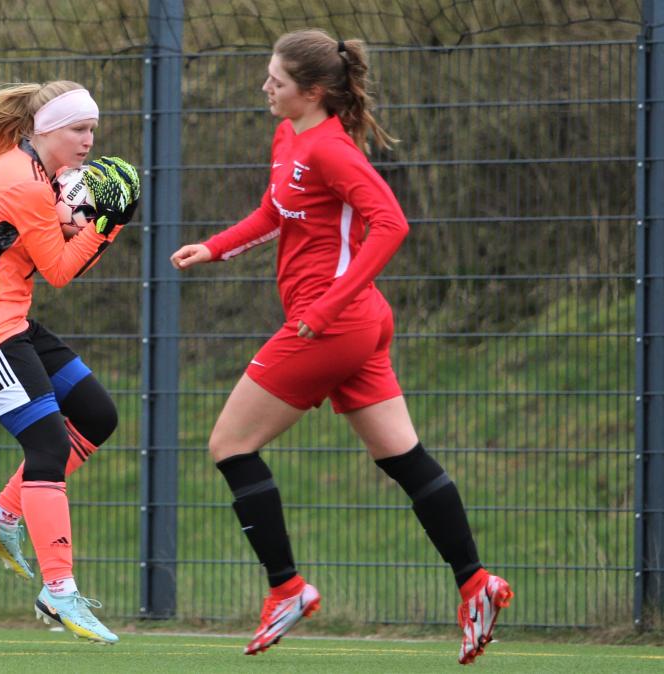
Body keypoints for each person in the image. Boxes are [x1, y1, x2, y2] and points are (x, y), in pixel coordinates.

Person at [169, 30, 513, 664]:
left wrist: (328, 304)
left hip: (332, 324)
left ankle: (287, 589)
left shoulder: (332, 149)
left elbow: (392, 224)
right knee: (403, 458)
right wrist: (213, 246)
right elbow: (275, 214)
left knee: (230, 444)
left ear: (313, 91)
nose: (264, 86)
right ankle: (476, 583)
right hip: (352, 326)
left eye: (275, 79)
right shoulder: (288, 137)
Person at [0, 81, 139, 644]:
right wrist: (107, 225)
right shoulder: (23, 181)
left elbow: (51, 251)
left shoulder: (38, 175)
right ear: (45, 129)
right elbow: (59, 270)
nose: (88, 140)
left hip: (11, 323)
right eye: (79, 128)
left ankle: (2, 516)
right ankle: (59, 591)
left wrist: (85, 221)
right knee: (48, 447)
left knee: (96, 415)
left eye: (92, 129)